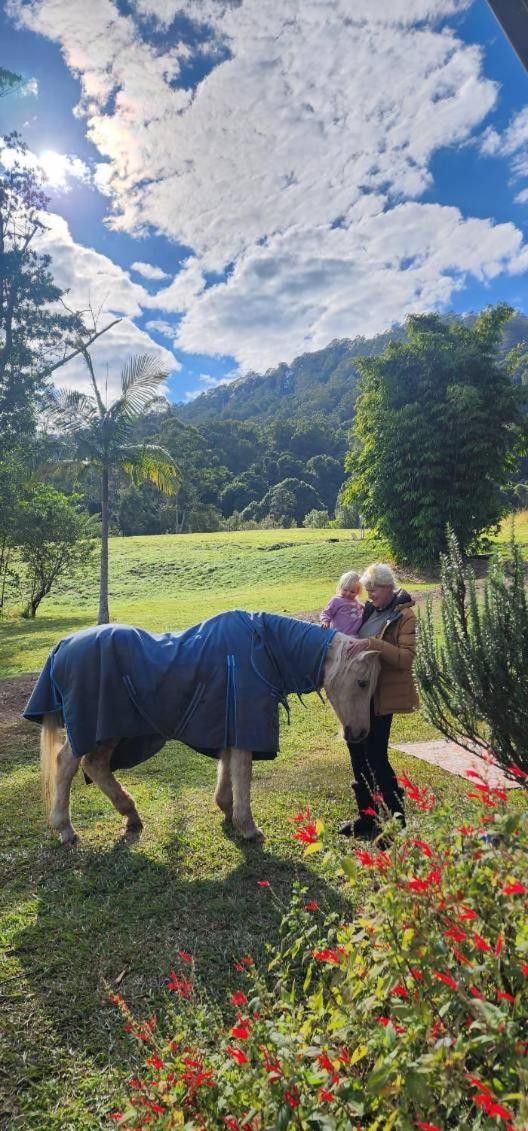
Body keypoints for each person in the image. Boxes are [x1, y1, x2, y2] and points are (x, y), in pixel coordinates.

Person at [339, 562, 418, 839]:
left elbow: (406, 658)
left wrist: (372, 644)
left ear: (388, 587)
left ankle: (397, 825)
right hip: (358, 696)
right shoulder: (371, 610)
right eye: (367, 589)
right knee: (356, 753)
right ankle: (367, 818)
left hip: (380, 698)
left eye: (374, 589)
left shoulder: (404, 616)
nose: (369, 594)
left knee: (376, 757)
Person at [320, 570, 364, 637]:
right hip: (338, 635)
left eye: (352, 592)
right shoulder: (336, 600)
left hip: (354, 636)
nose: (348, 593)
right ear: (340, 587)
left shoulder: (358, 603)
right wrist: (325, 621)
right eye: (345, 590)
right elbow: (326, 613)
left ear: (358, 592)